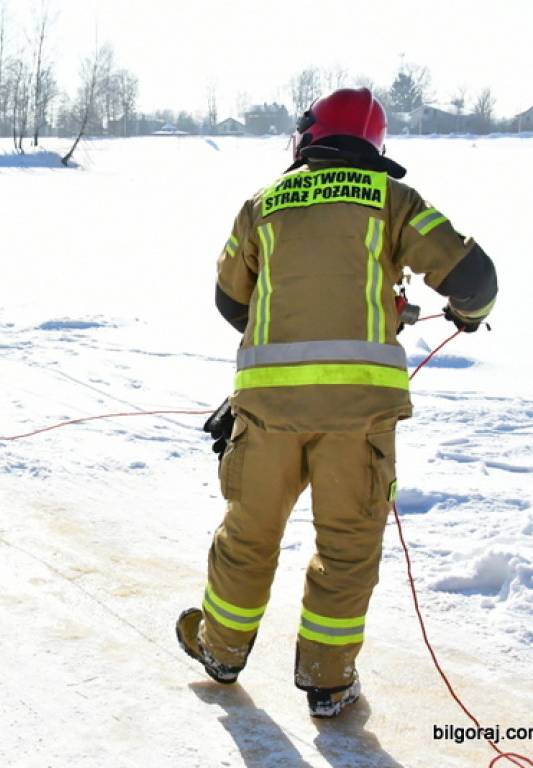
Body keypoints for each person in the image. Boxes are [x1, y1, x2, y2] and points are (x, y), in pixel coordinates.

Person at [176, 88, 498, 718]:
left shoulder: (263, 204)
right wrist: (463, 314)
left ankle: (221, 650)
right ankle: (326, 680)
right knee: (347, 545)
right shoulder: (393, 200)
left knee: (249, 533)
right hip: (358, 418)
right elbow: (476, 283)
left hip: (266, 412)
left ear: (309, 137)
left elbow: (230, 301)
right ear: (374, 147)